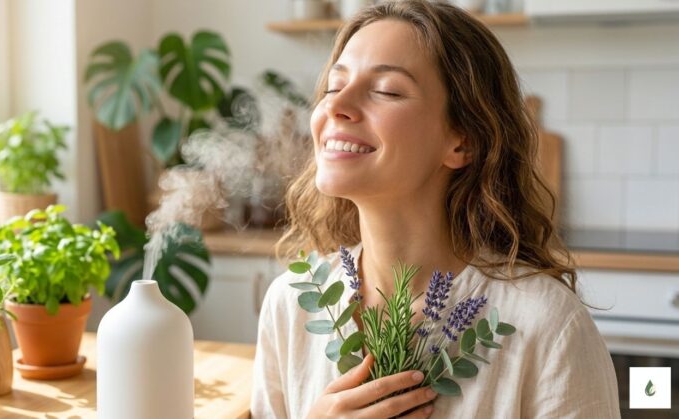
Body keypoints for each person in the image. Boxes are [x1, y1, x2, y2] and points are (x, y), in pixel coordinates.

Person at [251, 1, 620, 418]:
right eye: (334, 87)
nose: (337, 105)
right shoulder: (292, 305)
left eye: (387, 90)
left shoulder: (546, 326)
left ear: (462, 141)